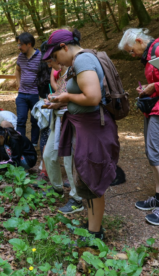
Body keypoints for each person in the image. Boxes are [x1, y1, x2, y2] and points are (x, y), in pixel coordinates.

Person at [46, 29, 119, 240]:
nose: (55, 61)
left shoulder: (82, 61)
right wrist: (60, 101)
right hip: (85, 126)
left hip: (93, 128)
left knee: (91, 178)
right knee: (85, 176)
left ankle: (94, 234)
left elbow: (93, 97)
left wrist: (66, 97)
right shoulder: (81, 60)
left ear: (64, 47)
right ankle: (91, 225)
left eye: (55, 56)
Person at [118, 28, 159, 226]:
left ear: (138, 41)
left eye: (131, 50)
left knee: (157, 155)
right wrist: (147, 88)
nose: (131, 54)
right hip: (154, 107)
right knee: (153, 154)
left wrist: (154, 87)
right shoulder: (151, 52)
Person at [42, 43, 82, 214]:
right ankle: (57, 188)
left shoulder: (75, 69)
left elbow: (80, 96)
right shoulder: (61, 73)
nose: (50, 65)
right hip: (57, 118)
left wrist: (57, 100)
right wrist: (53, 99)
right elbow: (62, 93)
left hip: (70, 120)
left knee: (68, 160)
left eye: (51, 61)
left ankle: (77, 198)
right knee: (48, 155)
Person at [15, 32, 41, 146]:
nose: (19, 47)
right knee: (21, 120)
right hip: (22, 94)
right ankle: (21, 143)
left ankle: (34, 143)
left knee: (35, 120)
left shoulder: (41, 56)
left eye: (21, 44)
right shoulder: (21, 56)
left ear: (29, 44)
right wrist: (18, 83)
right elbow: (17, 70)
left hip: (35, 94)